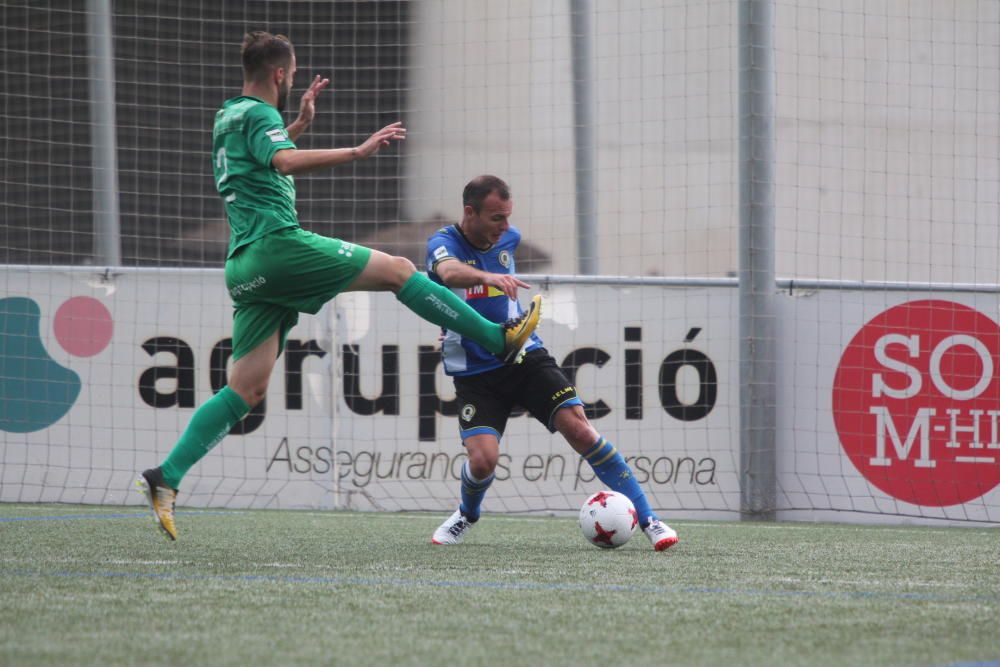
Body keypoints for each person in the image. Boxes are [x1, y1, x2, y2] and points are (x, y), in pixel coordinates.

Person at [136, 33, 541, 540]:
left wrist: (299, 126)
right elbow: (280, 161)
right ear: (282, 75)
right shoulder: (260, 117)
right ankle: (496, 336)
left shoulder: (228, 115)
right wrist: (357, 150)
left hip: (244, 266)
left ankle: (165, 477)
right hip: (278, 247)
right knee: (398, 270)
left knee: (246, 388)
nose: (295, 82)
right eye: (294, 73)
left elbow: (263, 157)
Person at [428, 175, 678, 551]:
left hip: (524, 356)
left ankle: (650, 520)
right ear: (470, 212)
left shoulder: (507, 240)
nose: (507, 227)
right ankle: (467, 514)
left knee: (580, 431)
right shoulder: (442, 243)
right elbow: (447, 275)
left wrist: (501, 307)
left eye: (508, 216)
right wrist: (485, 279)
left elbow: (497, 297)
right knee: (482, 462)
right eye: (497, 217)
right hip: (476, 374)